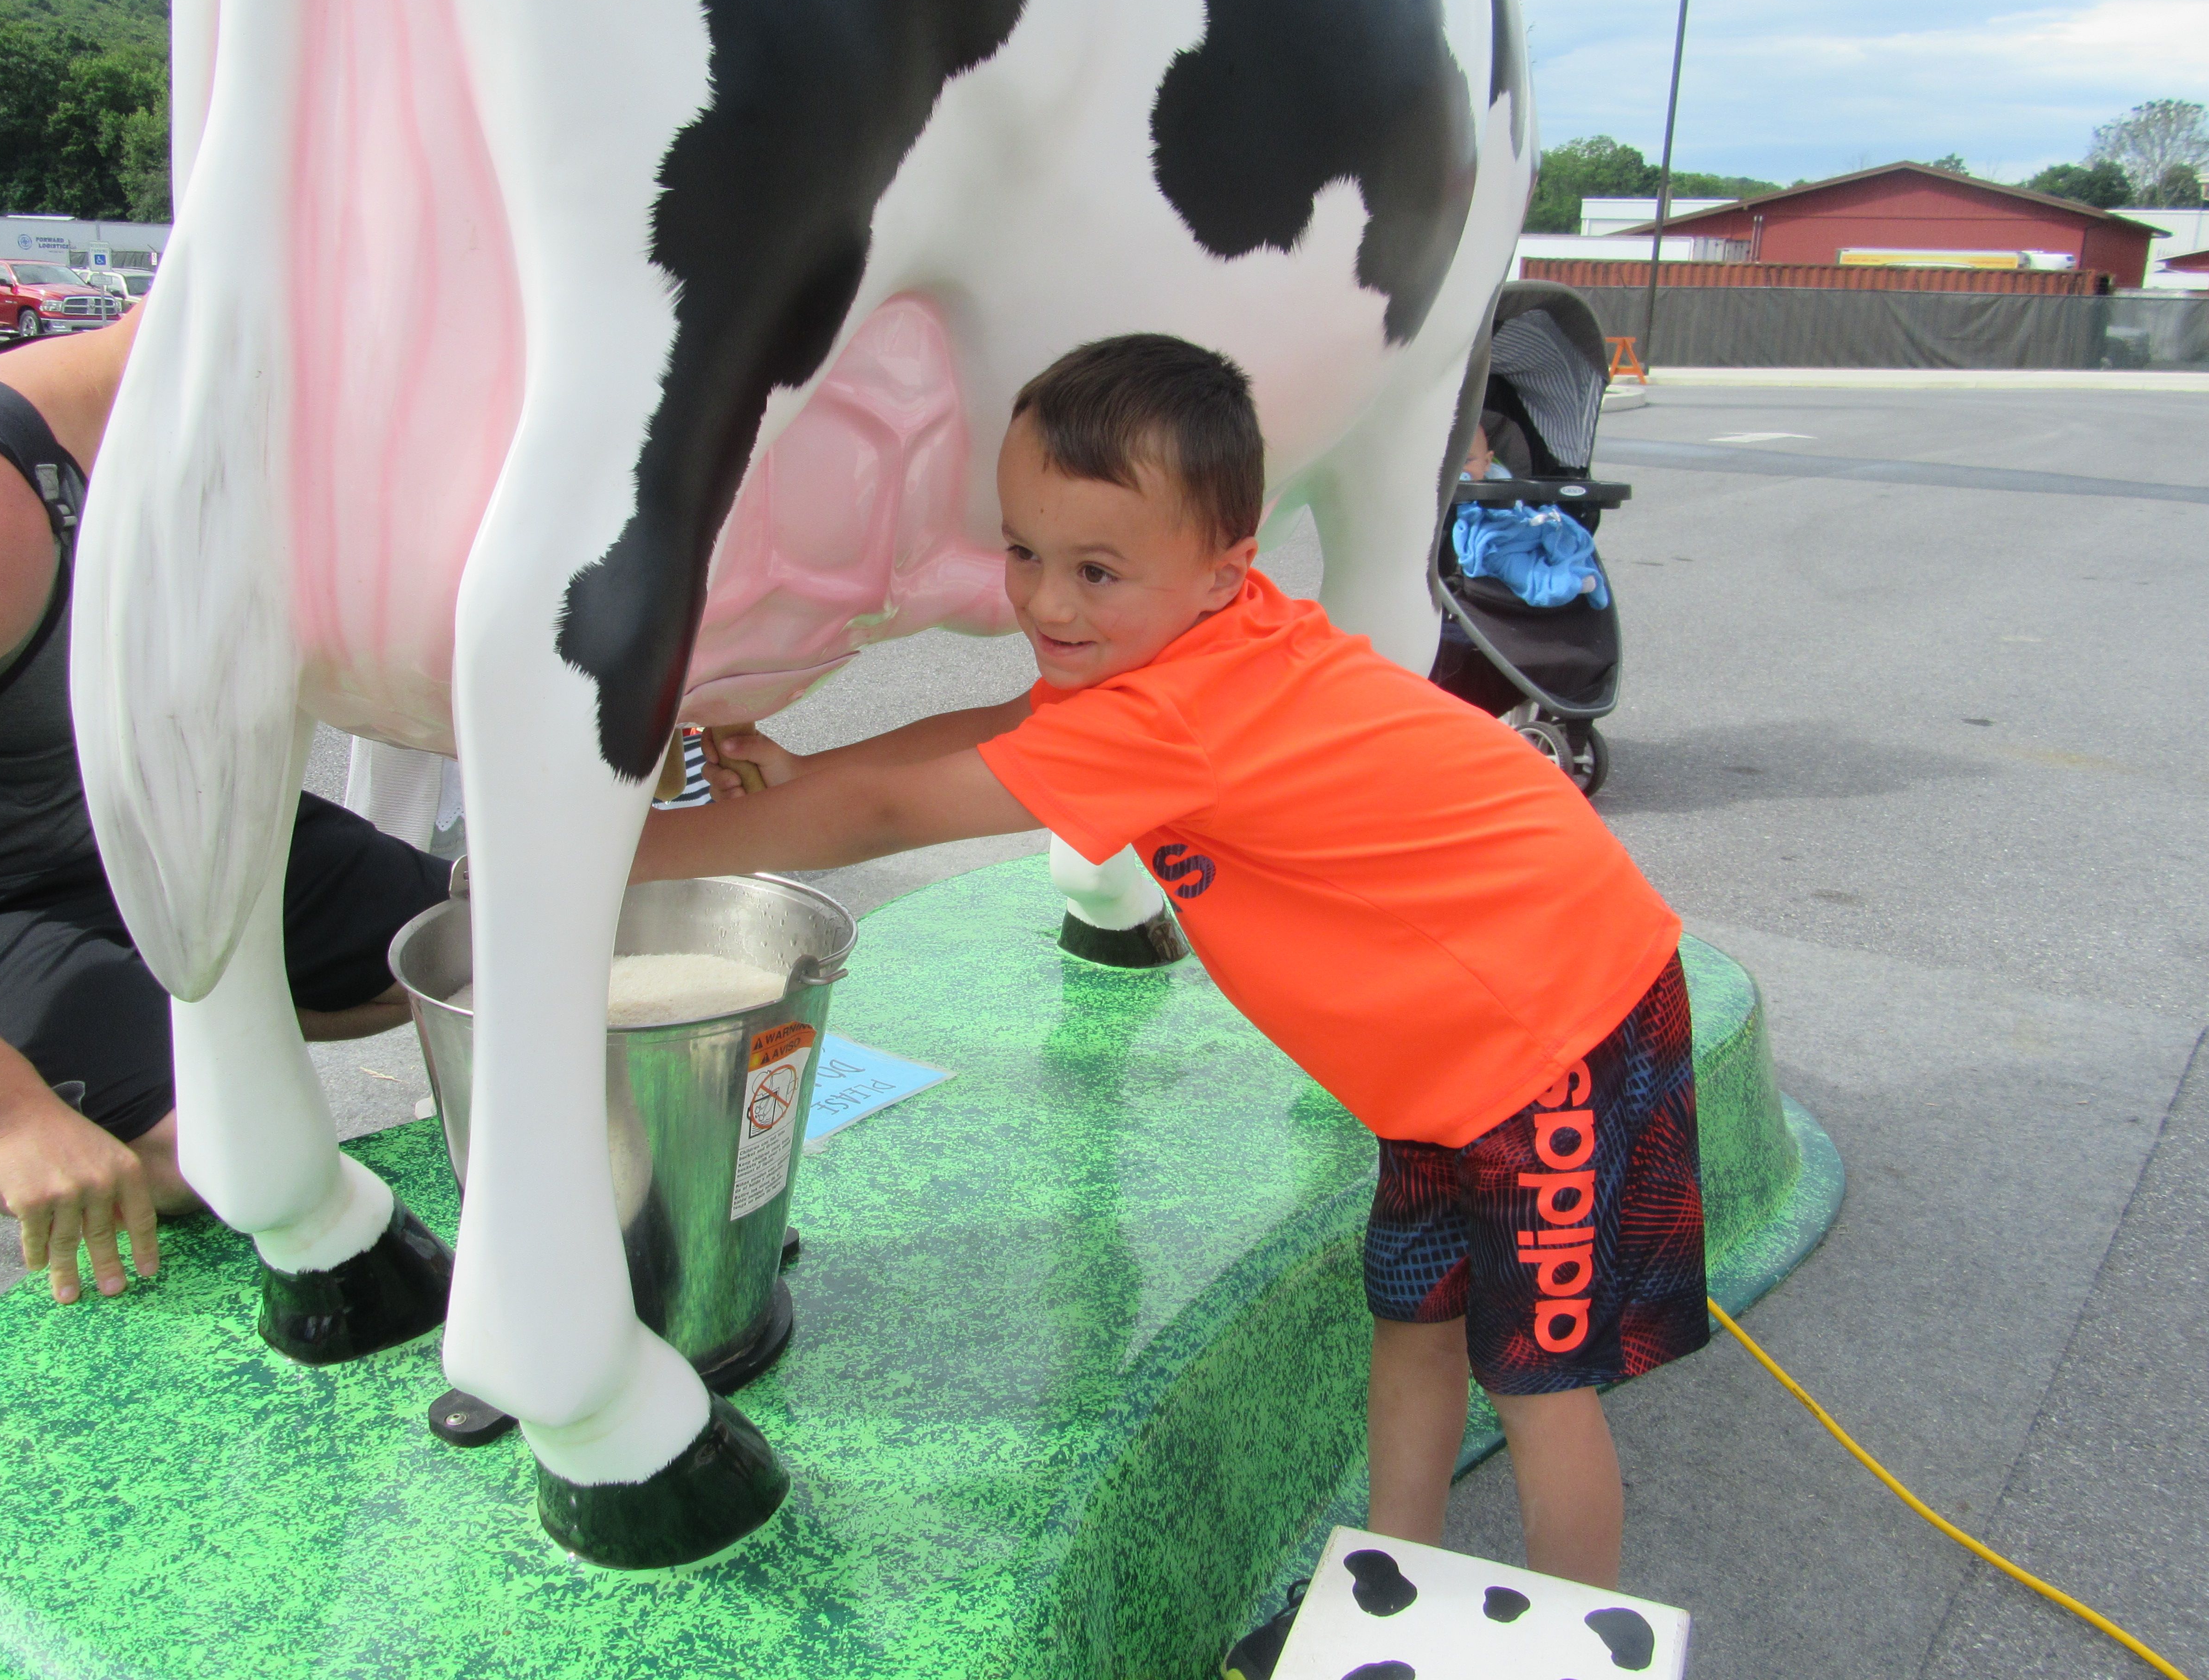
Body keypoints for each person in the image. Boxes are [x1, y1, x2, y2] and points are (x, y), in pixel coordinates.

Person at [636, 335, 1707, 1622]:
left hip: (1558, 1037)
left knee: (1538, 1381)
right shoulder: (1180, 649)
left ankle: (1574, 1645)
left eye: (1096, 570)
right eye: (1025, 553)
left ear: (1226, 570)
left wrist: (609, 860)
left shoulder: (1184, 714)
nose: (1049, 604)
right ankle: (1392, 1596)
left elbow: (883, 818)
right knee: (1414, 1321)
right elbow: (1008, 729)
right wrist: (811, 765)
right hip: (1446, 1069)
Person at [0, 315, 452, 1397]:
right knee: (206, 1156)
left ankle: (127, 1047)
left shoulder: (231, 440)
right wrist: (11, 1113)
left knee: (460, 950)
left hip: (140, 826)